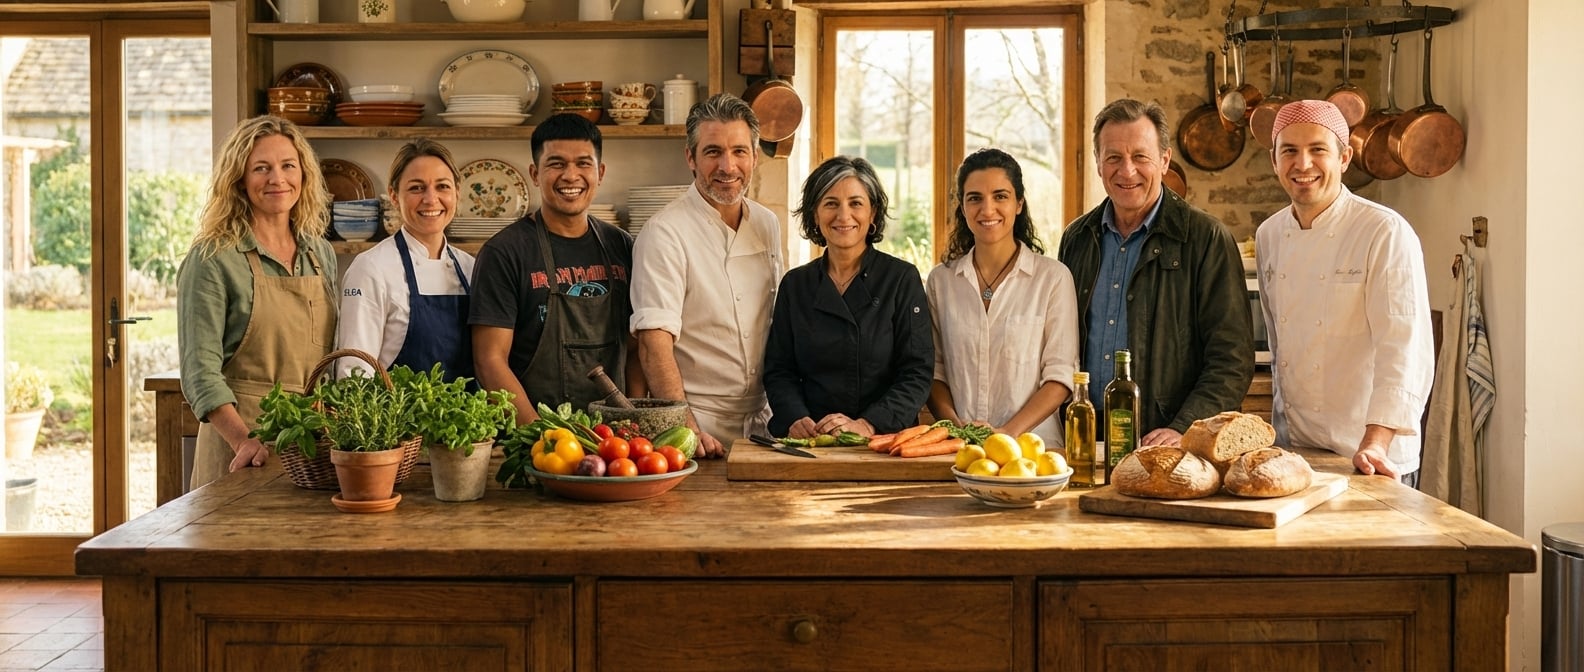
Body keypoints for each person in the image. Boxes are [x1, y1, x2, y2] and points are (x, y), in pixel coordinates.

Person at [1256, 99, 1435, 484]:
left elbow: (1404, 345)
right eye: (1289, 151)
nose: (1302, 165)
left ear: (1344, 157)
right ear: (1274, 161)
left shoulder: (1383, 231)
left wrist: (1376, 441)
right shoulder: (1269, 235)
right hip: (1297, 450)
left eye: (1318, 149)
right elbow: (1279, 341)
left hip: (1369, 455)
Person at [1058, 98, 1253, 446]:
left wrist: (1183, 428)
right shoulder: (1077, 238)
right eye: (1113, 157)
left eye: (1140, 157)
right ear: (1098, 163)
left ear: (1164, 160)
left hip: (1167, 439)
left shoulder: (1206, 238)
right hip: (1087, 438)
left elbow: (1231, 360)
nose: (1127, 171)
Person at [177, 115, 337, 488]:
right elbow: (199, 370)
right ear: (239, 180)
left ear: (304, 175)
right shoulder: (214, 258)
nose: (277, 179)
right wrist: (241, 440)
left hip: (309, 443)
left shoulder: (320, 253)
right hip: (243, 448)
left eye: (287, 166)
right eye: (260, 168)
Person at [630, 93, 783, 457]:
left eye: (739, 151)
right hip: (700, 426)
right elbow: (653, 344)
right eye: (713, 151)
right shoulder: (664, 232)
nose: (727, 166)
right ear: (691, 158)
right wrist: (684, 426)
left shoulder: (767, 223)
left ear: (755, 157)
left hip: (766, 423)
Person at [469, 113, 639, 424]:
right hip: (537, 443)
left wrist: (635, 421)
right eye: (556, 164)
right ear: (535, 173)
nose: (571, 175)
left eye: (583, 164)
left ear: (600, 172)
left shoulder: (622, 246)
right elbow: (489, 361)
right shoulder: (504, 252)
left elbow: (636, 349)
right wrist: (540, 436)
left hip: (616, 443)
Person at [763, 156, 933, 439]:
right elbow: (779, 369)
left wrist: (866, 425)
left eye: (856, 203)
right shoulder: (796, 284)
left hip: (884, 441)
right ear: (815, 214)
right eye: (831, 203)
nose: (843, 216)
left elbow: (916, 372)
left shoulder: (901, 279)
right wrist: (795, 417)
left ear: (873, 214)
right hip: (811, 441)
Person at [926, 149, 1079, 446]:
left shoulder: (1053, 279)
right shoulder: (940, 282)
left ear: (1019, 203)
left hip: (1035, 451)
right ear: (962, 206)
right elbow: (935, 371)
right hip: (961, 452)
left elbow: (1061, 377)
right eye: (975, 198)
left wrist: (1005, 434)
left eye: (1000, 196)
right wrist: (958, 431)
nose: (987, 209)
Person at [336, 138, 475, 382]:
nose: (431, 199)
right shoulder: (371, 269)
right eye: (416, 188)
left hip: (464, 417)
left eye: (442, 186)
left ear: (457, 193)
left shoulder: (470, 268)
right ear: (393, 195)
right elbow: (354, 374)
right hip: (396, 418)